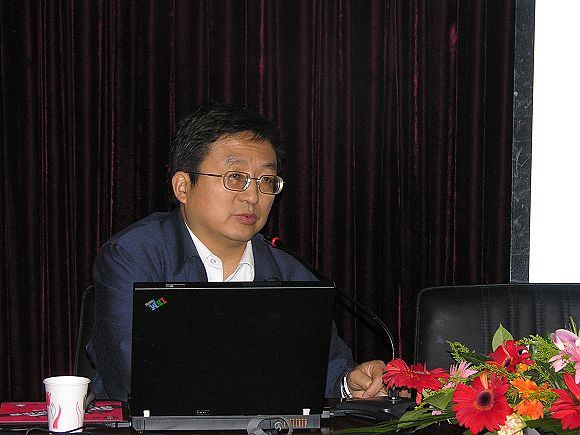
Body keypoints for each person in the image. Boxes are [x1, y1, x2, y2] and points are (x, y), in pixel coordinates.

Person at [86, 101, 387, 401]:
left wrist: (349, 383)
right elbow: (130, 376)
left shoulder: (292, 274)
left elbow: (323, 369)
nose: (253, 196)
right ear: (183, 187)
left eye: (266, 180)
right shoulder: (133, 258)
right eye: (235, 177)